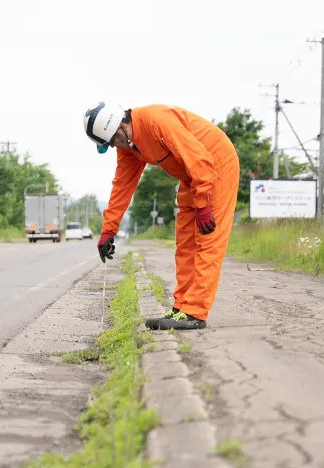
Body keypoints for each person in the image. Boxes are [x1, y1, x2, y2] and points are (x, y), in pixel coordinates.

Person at [83, 102, 240, 331]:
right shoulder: (128, 148)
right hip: (190, 176)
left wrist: (204, 204)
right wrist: (108, 230)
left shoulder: (156, 121)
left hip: (214, 166)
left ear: (119, 128)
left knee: (207, 241)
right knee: (185, 243)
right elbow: (122, 187)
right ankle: (181, 309)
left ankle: (195, 311)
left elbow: (198, 158)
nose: (115, 147)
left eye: (112, 141)